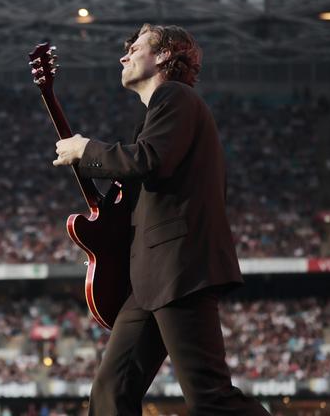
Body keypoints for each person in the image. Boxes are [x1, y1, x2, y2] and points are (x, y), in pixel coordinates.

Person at [52, 23, 271, 415]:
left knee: (210, 398)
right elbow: (146, 182)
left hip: (179, 270)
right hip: (152, 277)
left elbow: (149, 159)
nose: (125, 55)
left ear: (165, 56)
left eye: (136, 47)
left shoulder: (176, 97)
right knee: (110, 392)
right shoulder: (164, 111)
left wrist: (87, 150)